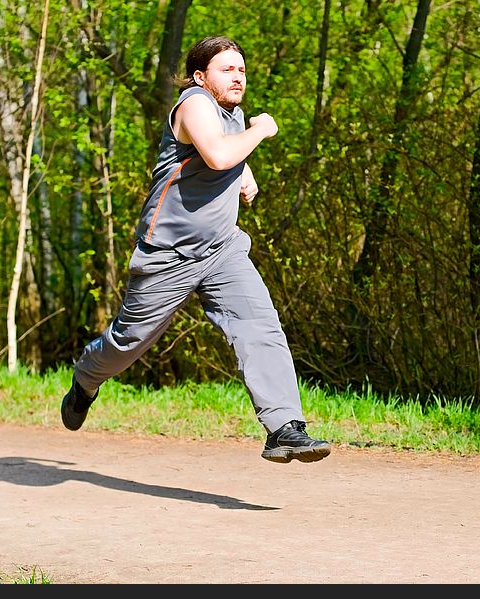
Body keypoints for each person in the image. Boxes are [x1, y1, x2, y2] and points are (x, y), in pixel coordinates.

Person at [61, 35, 330, 464]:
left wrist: (245, 170)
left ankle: (284, 428)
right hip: (169, 254)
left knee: (259, 324)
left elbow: (222, 155)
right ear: (201, 76)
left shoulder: (231, 113)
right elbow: (219, 154)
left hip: (222, 250)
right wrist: (261, 130)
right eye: (227, 69)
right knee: (128, 343)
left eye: (241, 69)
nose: (238, 76)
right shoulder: (193, 103)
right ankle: (85, 378)